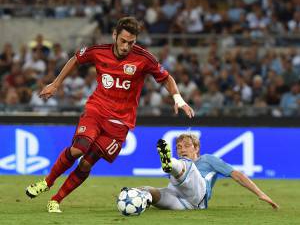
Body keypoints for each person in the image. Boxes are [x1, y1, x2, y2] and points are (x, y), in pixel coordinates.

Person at [25, 17, 194, 213]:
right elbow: (75, 59)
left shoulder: (144, 58)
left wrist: (178, 99)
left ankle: (56, 200)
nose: (126, 46)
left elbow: (166, 78)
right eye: (123, 41)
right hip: (96, 110)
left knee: (87, 163)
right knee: (79, 149)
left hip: (120, 123)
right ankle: (47, 182)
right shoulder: (99, 51)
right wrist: (55, 84)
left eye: (131, 42)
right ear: (115, 35)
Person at [139, 134, 279, 210]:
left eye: (187, 146)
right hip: (180, 202)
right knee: (147, 191)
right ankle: (129, 196)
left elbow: (238, 175)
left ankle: (169, 163)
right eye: (179, 147)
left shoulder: (208, 160)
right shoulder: (182, 163)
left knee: (185, 165)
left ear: (196, 148)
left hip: (198, 198)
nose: (182, 149)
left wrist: (261, 193)